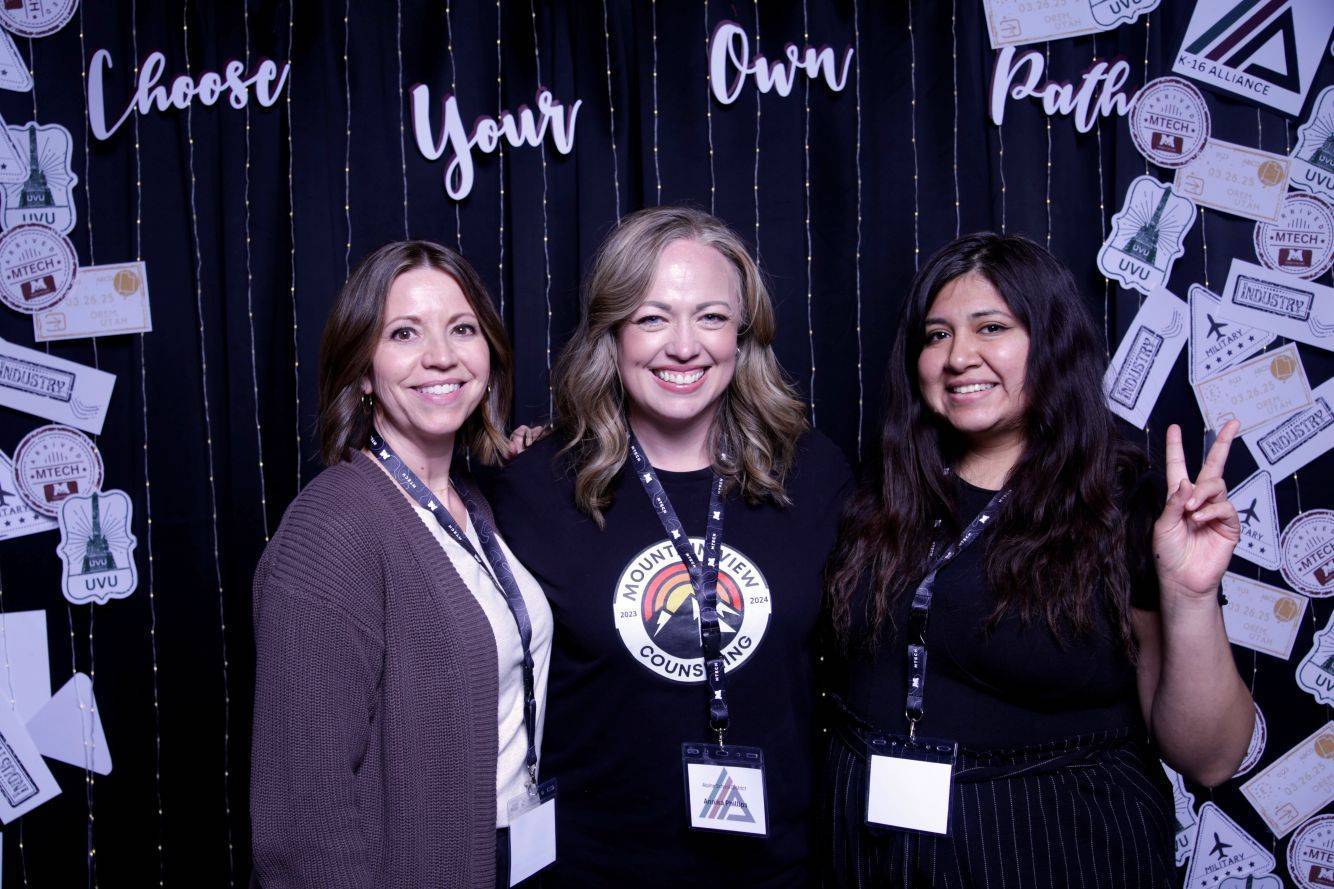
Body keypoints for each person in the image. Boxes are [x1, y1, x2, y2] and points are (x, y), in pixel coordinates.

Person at [822, 232, 1254, 888]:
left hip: (1050, 847)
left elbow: (1212, 757)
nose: (958, 356)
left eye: (991, 327)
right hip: (874, 848)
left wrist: (1190, 595)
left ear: (1051, 342)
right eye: (936, 335)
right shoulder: (884, 488)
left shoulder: (1125, 499)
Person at [484, 206, 852, 887]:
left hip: (774, 868)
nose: (684, 345)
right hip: (592, 870)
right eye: (652, 317)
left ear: (743, 337)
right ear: (612, 332)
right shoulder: (531, 487)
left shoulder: (814, 473)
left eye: (710, 317)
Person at [250, 241, 553, 889]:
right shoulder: (332, 529)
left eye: (462, 329)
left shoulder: (477, 503)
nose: (441, 355)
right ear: (362, 368)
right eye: (404, 332)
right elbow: (302, 823)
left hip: (509, 852)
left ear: (489, 354)